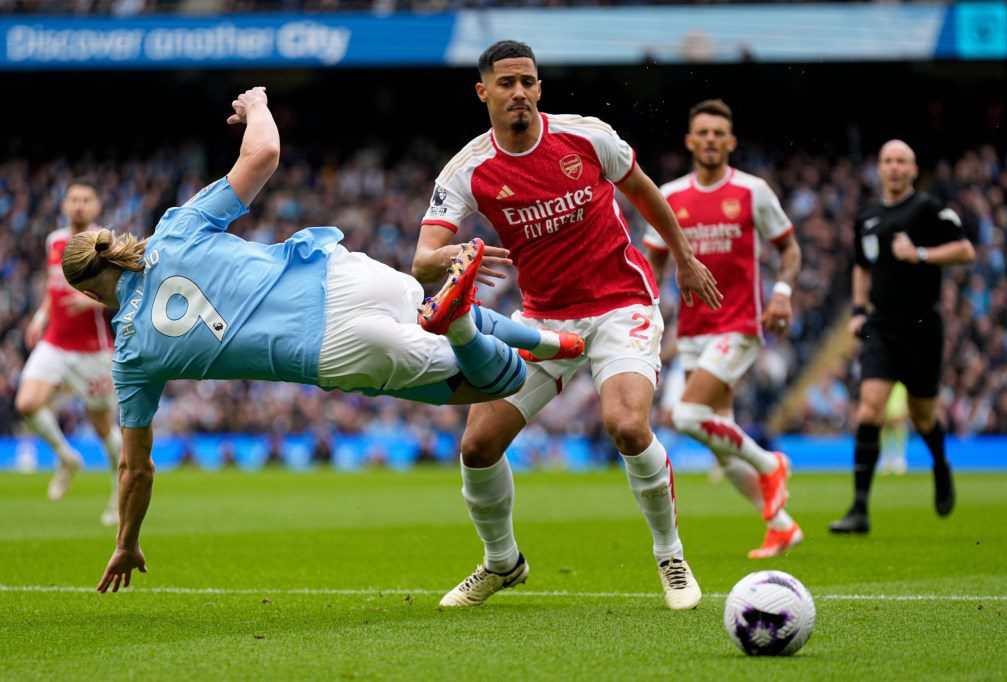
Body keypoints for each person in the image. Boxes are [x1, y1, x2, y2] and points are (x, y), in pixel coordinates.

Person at [82, 87, 583, 593]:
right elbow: (263, 154)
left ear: (85, 289)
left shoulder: (132, 354)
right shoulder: (174, 230)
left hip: (329, 346)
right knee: (425, 310)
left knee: (495, 383)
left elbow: (135, 468)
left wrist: (126, 540)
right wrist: (256, 105)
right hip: (338, 271)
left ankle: (463, 326)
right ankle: (551, 341)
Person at [412, 41, 722, 610]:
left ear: (539, 88)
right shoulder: (469, 170)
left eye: (528, 81)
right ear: (483, 93)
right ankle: (501, 562)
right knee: (478, 446)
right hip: (543, 320)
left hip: (620, 305)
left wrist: (681, 256)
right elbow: (423, 258)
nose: (520, 93)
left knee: (626, 425)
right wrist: (456, 255)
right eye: (506, 83)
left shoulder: (586, 136)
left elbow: (643, 190)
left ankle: (670, 555)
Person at [644, 99, 801, 559]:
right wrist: (645, 310)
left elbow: (789, 250)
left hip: (739, 323)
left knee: (687, 416)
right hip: (693, 329)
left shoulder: (753, 191)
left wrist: (783, 293)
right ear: (690, 141)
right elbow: (652, 258)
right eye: (703, 133)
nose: (711, 139)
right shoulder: (671, 195)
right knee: (721, 438)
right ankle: (781, 525)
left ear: (730, 142)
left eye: (719, 133)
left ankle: (771, 464)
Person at [830, 140, 975, 534]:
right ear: (880, 168)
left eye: (902, 162)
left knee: (922, 416)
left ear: (913, 170)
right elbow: (861, 266)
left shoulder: (928, 209)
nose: (894, 168)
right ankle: (859, 508)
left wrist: (922, 254)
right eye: (888, 161)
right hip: (883, 326)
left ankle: (941, 466)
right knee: (869, 410)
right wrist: (859, 310)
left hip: (922, 326)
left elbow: (966, 250)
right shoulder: (867, 216)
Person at [15, 180, 123, 524]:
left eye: (85, 200)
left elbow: (124, 290)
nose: (78, 205)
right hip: (55, 341)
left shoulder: (105, 245)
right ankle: (67, 457)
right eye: (73, 199)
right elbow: (53, 287)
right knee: (27, 403)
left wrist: (94, 298)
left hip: (93, 351)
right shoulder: (55, 241)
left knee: (102, 427)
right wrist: (41, 316)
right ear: (64, 206)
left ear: (96, 207)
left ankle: (120, 494)